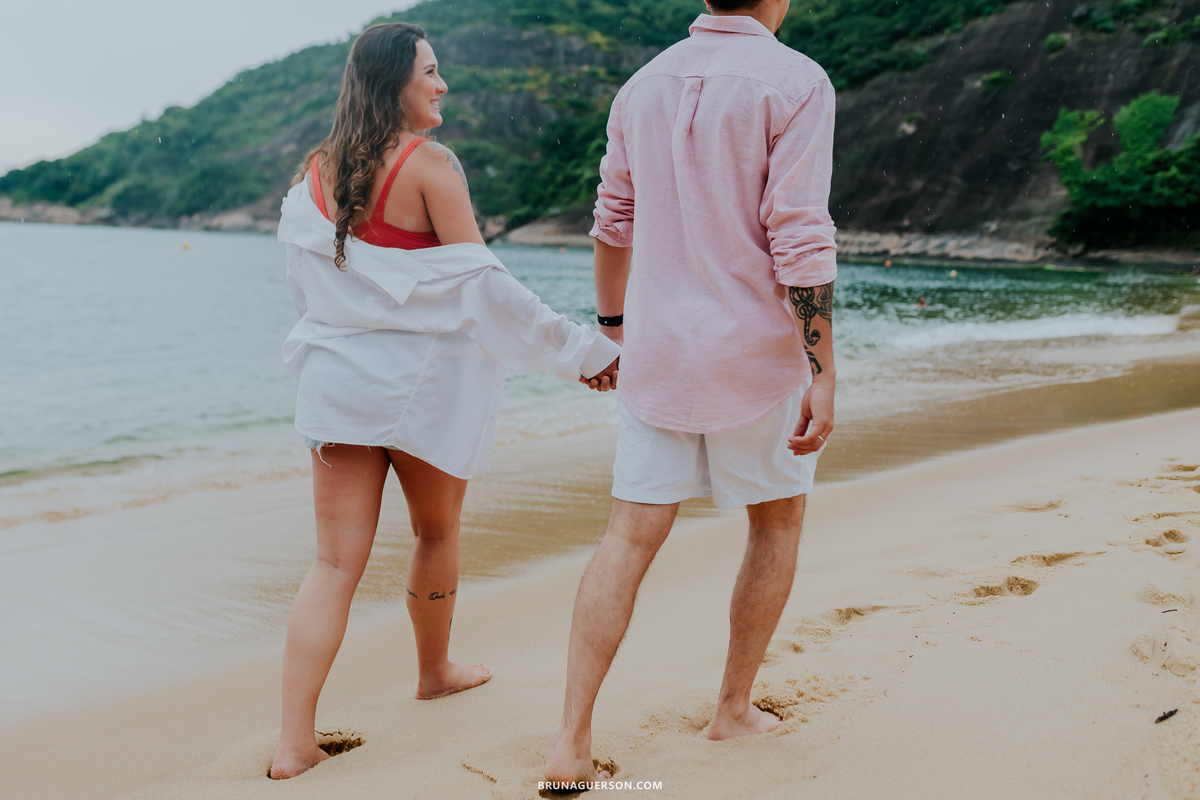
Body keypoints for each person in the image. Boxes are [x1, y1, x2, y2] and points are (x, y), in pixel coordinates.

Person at [270, 22, 620, 780]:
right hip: (420, 391)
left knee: (332, 565)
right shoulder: (431, 166)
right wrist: (585, 353)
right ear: (396, 81)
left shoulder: (318, 169)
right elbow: (486, 291)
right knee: (435, 533)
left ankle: (294, 742)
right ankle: (434, 673)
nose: (442, 84)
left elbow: (313, 292)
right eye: (430, 71)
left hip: (338, 387)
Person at [545, 0, 837, 784]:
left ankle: (571, 742)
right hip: (756, 355)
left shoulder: (641, 85)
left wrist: (612, 328)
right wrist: (823, 368)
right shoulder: (798, 81)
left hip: (659, 355)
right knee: (774, 525)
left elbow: (613, 220)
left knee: (627, 538)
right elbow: (800, 234)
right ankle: (732, 711)